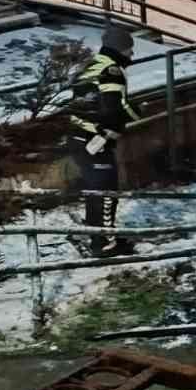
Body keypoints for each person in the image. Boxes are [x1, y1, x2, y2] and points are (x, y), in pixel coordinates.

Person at [65, 24, 140, 256]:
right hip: (97, 138)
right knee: (106, 191)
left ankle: (97, 236)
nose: (132, 55)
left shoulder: (90, 65)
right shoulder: (112, 71)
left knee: (95, 190)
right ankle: (105, 244)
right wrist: (136, 112)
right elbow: (114, 106)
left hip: (77, 135)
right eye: (129, 50)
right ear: (120, 49)